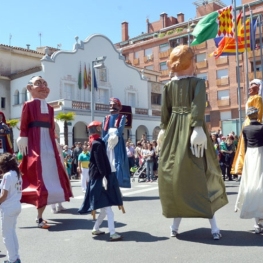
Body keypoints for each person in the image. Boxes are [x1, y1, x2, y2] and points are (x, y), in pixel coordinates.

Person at [157, 45, 228, 240]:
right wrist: (195, 127)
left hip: (178, 129)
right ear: (191, 63)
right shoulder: (192, 83)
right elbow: (192, 106)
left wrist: (166, 128)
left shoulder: (172, 85)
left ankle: (183, 223)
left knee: (180, 174)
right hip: (184, 129)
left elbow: (169, 111)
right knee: (195, 174)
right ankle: (184, 223)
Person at [16, 76, 73, 229]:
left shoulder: (50, 108)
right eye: (38, 84)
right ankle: (38, 215)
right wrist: (23, 136)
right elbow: (24, 122)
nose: (43, 87)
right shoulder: (28, 105)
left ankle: (49, 206)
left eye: (45, 84)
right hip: (35, 141)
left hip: (48, 143)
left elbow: (52, 128)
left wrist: (55, 142)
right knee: (36, 173)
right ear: (30, 88)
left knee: (52, 172)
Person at [78, 121, 123, 241]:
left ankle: (95, 228)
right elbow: (99, 163)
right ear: (97, 128)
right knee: (108, 210)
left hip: (97, 178)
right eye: (99, 127)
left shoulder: (96, 142)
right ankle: (112, 233)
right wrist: (104, 176)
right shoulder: (97, 143)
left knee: (103, 209)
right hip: (99, 179)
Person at [235, 107, 263, 234]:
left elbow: (245, 146)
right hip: (260, 156)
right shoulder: (262, 127)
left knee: (251, 186)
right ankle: (259, 222)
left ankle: (257, 224)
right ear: (257, 115)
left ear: (248, 116)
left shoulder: (245, 128)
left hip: (249, 159)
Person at [231, 79, 263, 176]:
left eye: (252, 85)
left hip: (251, 124)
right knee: (243, 146)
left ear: (258, 87)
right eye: (250, 85)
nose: (250, 87)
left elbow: (259, 113)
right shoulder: (251, 98)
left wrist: (254, 123)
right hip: (246, 123)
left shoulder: (258, 98)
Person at [102, 98, 131, 188]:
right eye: (110, 105)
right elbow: (104, 132)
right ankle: (107, 184)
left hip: (117, 142)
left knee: (117, 162)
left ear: (119, 106)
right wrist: (105, 140)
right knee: (107, 163)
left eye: (114, 105)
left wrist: (114, 136)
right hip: (108, 143)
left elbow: (120, 129)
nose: (112, 107)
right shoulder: (106, 118)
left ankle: (117, 185)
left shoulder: (122, 117)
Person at [0, 153, 22, 263]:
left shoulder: (7, 176)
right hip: (16, 205)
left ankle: (13, 259)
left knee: (6, 235)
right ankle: (15, 257)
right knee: (12, 232)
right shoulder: (17, 174)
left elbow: (3, 195)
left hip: (8, 207)